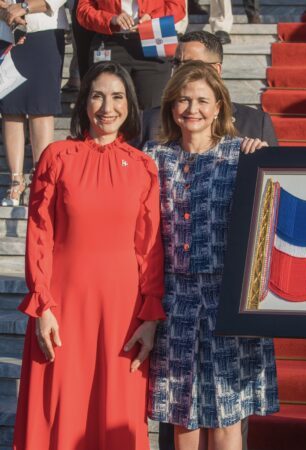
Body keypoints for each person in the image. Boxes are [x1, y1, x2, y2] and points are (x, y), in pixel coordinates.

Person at [12, 61, 165, 450]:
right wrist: (42, 305)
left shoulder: (145, 167)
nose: (107, 106)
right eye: (97, 95)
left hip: (121, 312)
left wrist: (150, 316)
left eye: (117, 96)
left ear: (130, 104)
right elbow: (40, 234)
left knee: (116, 412)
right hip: (63, 306)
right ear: (84, 103)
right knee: (61, 408)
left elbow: (148, 246)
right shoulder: (57, 157)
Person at [145, 60, 279, 450]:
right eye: (183, 100)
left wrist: (265, 162)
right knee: (182, 416)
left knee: (226, 416)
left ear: (219, 106)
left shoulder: (243, 154)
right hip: (175, 301)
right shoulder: (152, 158)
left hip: (229, 300)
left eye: (203, 100)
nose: (193, 109)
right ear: (171, 108)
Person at [138, 30, 278, 149]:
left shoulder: (255, 123)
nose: (180, 70)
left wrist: (264, 159)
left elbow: (275, 178)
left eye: (190, 64)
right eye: (176, 63)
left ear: (216, 69)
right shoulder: (149, 120)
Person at [0, 0, 68, 206]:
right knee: (10, 107)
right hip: (5, 29)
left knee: (42, 106)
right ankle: (16, 179)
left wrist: (26, 7)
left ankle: (41, 177)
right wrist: (5, 10)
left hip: (44, 29)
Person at [76, 0, 186, 110]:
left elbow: (178, 7)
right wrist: (110, 18)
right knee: (109, 105)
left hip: (154, 35)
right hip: (111, 40)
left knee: (153, 109)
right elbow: (83, 10)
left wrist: (152, 17)